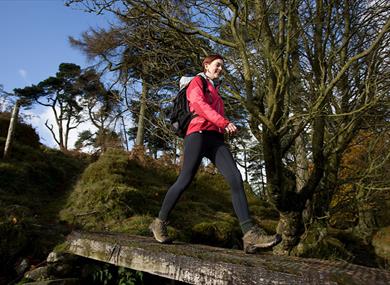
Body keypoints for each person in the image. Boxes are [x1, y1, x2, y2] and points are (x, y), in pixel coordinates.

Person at [149, 54, 281, 253]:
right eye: (217, 65)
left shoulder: (215, 89)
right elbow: (199, 105)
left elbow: (213, 111)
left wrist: (222, 126)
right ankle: (159, 222)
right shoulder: (197, 81)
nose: (220, 69)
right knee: (184, 180)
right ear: (207, 65)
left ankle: (250, 234)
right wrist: (224, 122)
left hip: (215, 138)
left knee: (235, 177)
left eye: (222, 66)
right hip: (197, 134)